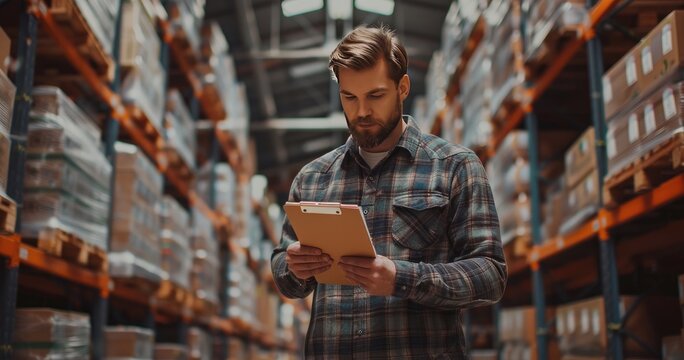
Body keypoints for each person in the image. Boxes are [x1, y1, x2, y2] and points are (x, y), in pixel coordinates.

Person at [271, 25, 507, 359]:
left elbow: (490, 274)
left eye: (375, 95)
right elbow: (284, 272)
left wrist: (403, 279)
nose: (361, 111)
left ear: (403, 87)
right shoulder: (312, 179)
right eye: (349, 97)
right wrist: (294, 266)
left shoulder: (455, 167)